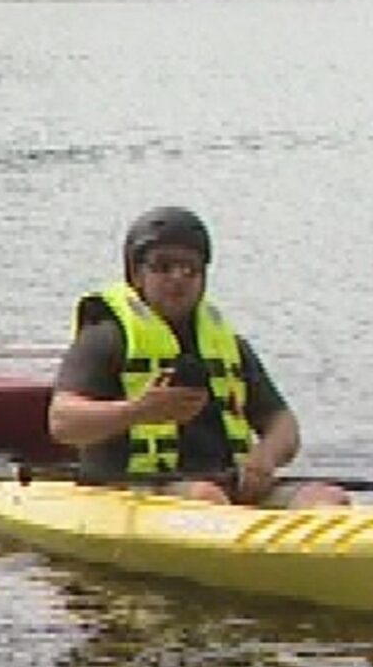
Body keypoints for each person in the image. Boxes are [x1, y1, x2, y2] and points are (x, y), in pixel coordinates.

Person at [48, 205, 346, 505]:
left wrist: (264, 457)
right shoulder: (105, 339)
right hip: (135, 489)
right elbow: (62, 423)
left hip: (229, 485)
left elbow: (284, 425)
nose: (178, 278)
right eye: (163, 267)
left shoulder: (229, 346)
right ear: (137, 275)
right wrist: (139, 411)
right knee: (206, 498)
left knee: (328, 498)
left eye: (190, 268)